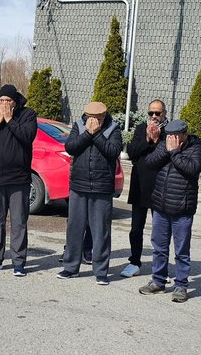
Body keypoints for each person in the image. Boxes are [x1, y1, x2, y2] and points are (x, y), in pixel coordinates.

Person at [137, 119, 201, 302]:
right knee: (159, 247)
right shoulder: (164, 144)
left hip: (182, 208)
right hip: (160, 205)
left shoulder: (195, 148)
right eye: (169, 136)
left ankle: (181, 285)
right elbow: (149, 162)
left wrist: (174, 153)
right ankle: (158, 281)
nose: (171, 139)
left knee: (181, 250)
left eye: (175, 136)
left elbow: (192, 169)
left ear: (184, 135)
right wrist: (166, 150)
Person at [58, 101, 123, 285]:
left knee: (101, 230)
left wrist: (96, 135)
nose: (94, 121)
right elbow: (70, 147)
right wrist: (87, 133)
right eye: (91, 118)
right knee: (74, 229)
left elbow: (113, 151)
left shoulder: (113, 129)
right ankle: (70, 268)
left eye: (98, 118)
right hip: (79, 186)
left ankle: (101, 271)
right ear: (86, 116)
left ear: (104, 117)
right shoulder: (79, 126)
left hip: (102, 187)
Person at [0, 85, 37, 276]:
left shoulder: (27, 115)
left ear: (15, 101)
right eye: (1, 101)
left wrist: (10, 120)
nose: (4, 104)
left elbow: (27, 137)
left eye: (8, 101)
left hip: (19, 178)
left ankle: (19, 262)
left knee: (19, 222)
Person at [121, 99, 166, 278]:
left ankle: (160, 265)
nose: (154, 117)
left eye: (158, 113)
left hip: (160, 186)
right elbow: (132, 152)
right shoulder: (141, 128)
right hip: (140, 185)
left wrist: (156, 139)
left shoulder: (169, 131)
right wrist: (147, 138)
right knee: (136, 228)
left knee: (160, 230)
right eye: (151, 113)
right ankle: (134, 261)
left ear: (164, 113)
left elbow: (167, 153)